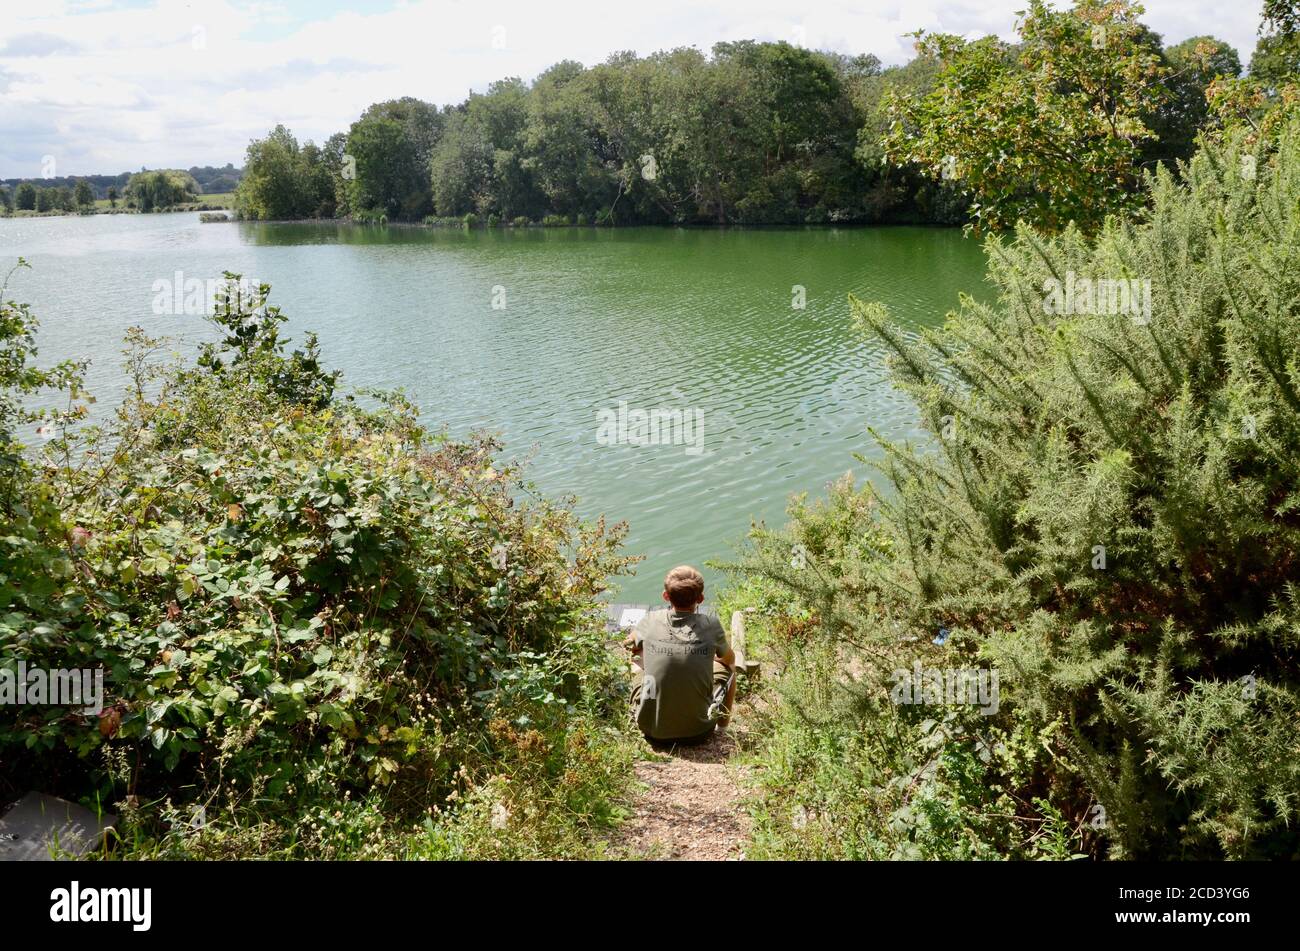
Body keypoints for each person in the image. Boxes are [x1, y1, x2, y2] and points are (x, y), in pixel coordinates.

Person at [626, 566, 736, 745]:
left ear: (665, 596)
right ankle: (722, 728)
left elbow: (628, 645)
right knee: (729, 670)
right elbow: (729, 660)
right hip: (699, 732)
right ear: (700, 598)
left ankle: (650, 709)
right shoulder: (711, 625)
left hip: (650, 730)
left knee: (636, 660)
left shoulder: (650, 620)